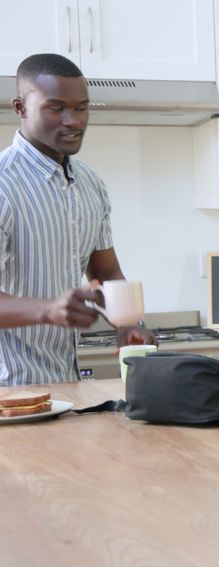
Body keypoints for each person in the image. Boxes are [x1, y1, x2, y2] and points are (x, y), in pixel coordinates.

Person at [0, 53, 154, 387]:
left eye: (81, 108)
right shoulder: (3, 185)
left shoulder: (90, 183)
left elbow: (105, 271)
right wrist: (47, 309)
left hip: (64, 383)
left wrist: (128, 323)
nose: (73, 120)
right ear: (20, 107)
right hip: (8, 388)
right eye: (56, 108)